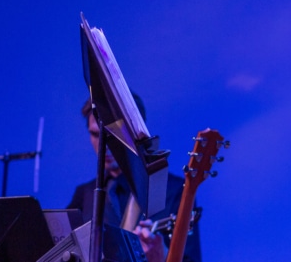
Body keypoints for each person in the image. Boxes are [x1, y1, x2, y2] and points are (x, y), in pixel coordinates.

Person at [67, 94, 202, 262]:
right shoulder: (84, 194)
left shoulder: (173, 191)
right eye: (95, 135)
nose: (105, 145)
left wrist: (163, 256)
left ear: (137, 133)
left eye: (112, 135)